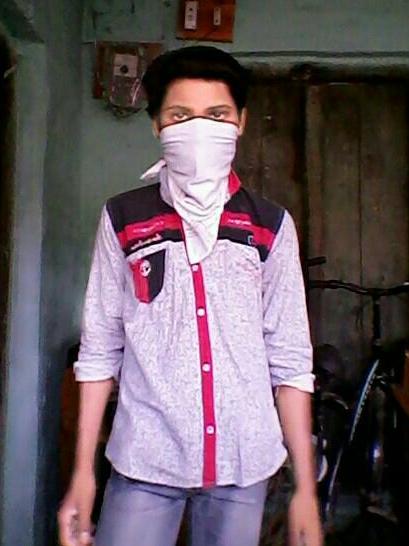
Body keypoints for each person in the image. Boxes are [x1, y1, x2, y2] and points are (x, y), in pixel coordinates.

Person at [58, 45, 323, 546]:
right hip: (145, 460)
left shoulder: (269, 225)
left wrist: (305, 489)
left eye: (217, 115)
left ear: (240, 122)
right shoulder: (123, 218)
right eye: (181, 116)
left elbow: (289, 360)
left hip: (243, 464)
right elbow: (99, 351)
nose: (199, 131)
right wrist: (83, 474)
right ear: (157, 126)